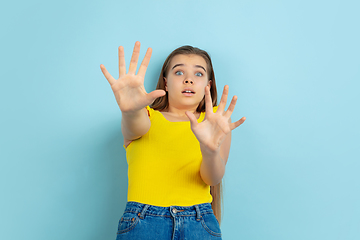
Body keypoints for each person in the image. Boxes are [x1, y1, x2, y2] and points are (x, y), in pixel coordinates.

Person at [100, 41, 246, 240]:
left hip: (199, 224)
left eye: (198, 74)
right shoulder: (147, 117)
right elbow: (135, 124)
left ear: (208, 85)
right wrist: (131, 110)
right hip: (143, 224)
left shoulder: (216, 124)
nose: (188, 80)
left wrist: (210, 150)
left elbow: (212, 179)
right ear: (166, 83)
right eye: (179, 72)